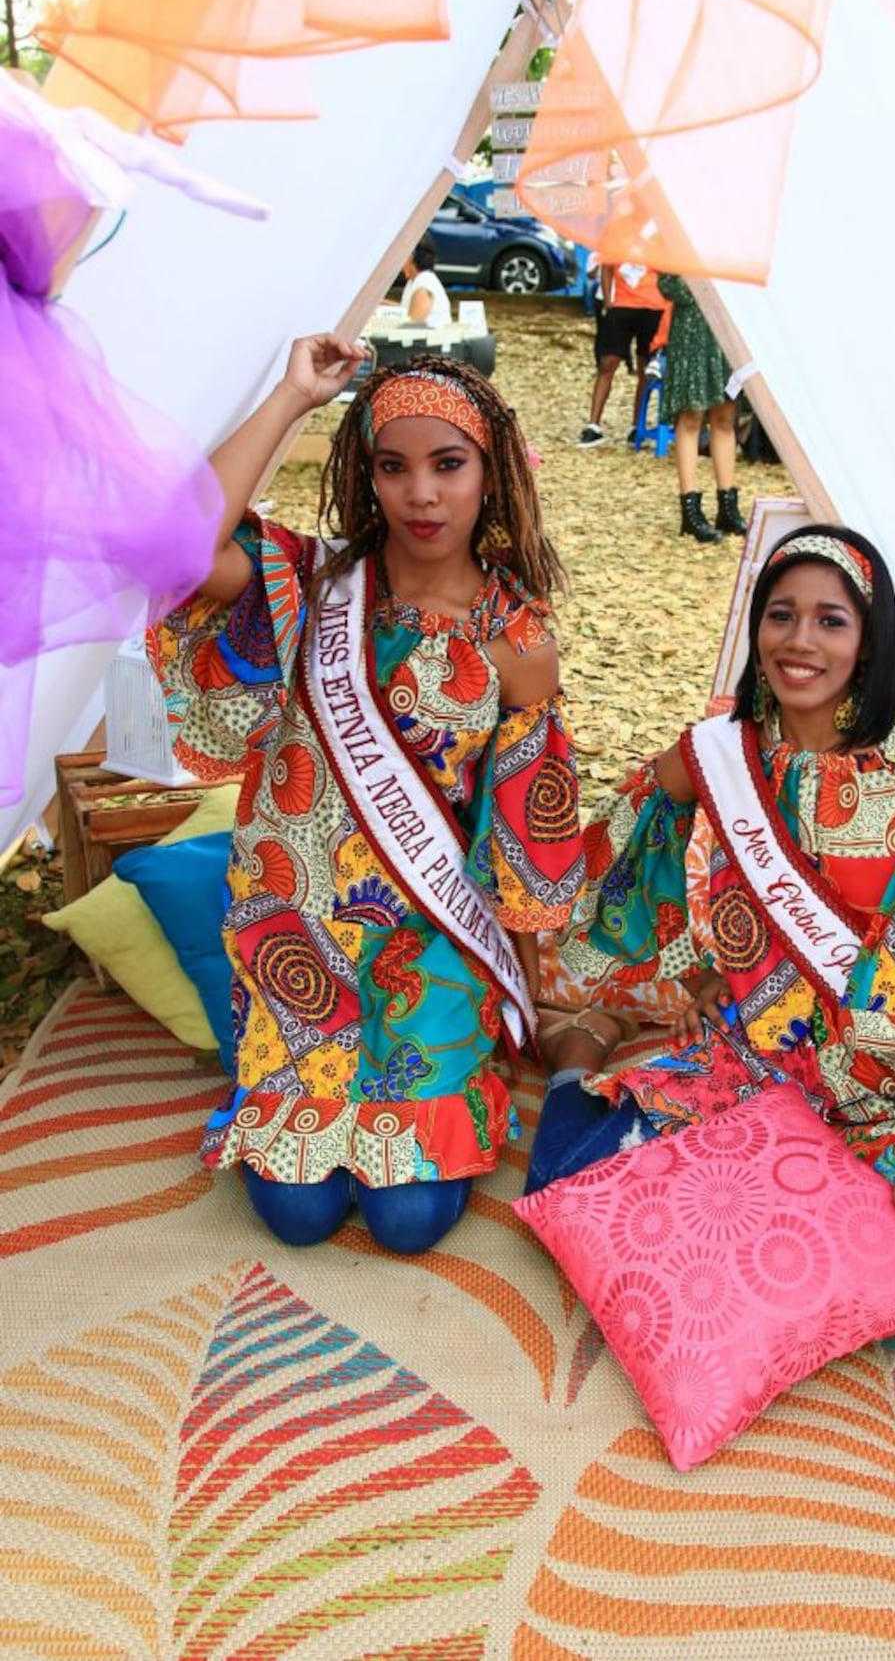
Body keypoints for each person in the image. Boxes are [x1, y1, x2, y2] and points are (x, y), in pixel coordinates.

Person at [150, 336, 585, 1253]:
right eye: (394, 467)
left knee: (408, 1219)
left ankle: (439, 1093)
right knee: (299, 1217)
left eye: (447, 464)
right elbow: (177, 548)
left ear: (491, 469)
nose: (421, 494)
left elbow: (523, 833)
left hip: (428, 951)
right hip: (295, 937)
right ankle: (287, 1087)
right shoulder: (309, 586)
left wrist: (528, 993)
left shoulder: (517, 639)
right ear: (368, 475)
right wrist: (291, 397)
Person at [530, 525, 895, 1305]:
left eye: (831, 619)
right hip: (753, 1054)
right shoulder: (722, 751)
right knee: (569, 1182)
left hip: (881, 1086)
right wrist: (701, 970)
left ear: (868, 640)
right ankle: (576, 1052)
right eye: (780, 615)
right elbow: (641, 841)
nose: (800, 641)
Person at [656, 273, 746, 543]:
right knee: (691, 416)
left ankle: (727, 506)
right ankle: (690, 510)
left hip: (725, 328)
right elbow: (669, 285)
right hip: (692, 331)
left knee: (725, 417)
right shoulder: (678, 237)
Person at [578, 262, 667, 447]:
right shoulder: (619, 234)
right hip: (622, 304)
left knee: (646, 367)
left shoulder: (662, 235)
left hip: (654, 306)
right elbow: (607, 266)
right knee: (608, 362)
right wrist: (609, 303)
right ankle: (594, 425)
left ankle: (637, 426)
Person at [398, 239, 452, 327]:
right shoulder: (414, 280)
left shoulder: (424, 283)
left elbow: (412, 327)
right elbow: (405, 308)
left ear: (410, 257)